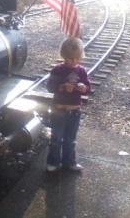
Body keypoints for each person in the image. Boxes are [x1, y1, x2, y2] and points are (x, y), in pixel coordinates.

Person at [46, 37, 90, 172]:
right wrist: (62, 87)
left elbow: (88, 86)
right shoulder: (57, 70)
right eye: (70, 59)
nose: (73, 62)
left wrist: (84, 87)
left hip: (74, 111)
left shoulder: (81, 71)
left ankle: (69, 162)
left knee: (70, 139)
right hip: (59, 111)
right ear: (63, 56)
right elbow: (50, 87)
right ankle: (53, 162)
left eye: (76, 59)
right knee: (56, 138)